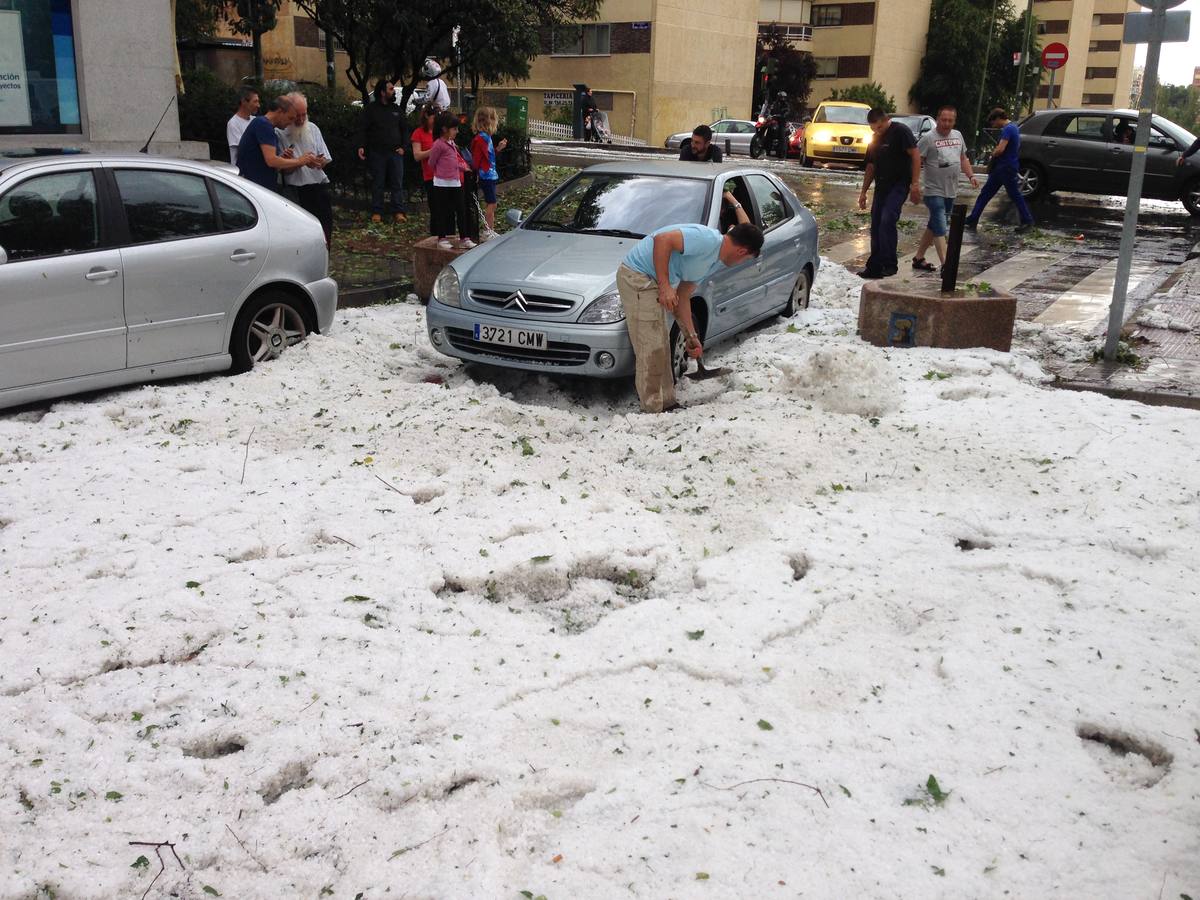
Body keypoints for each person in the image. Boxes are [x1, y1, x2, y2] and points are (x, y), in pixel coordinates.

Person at [616, 200, 763, 413]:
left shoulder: (713, 260)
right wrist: (666, 285)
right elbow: (662, 240)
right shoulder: (707, 240)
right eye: (746, 258)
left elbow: (683, 296)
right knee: (651, 346)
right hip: (637, 277)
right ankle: (652, 409)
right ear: (741, 251)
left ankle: (667, 403)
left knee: (661, 344)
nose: (742, 263)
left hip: (653, 280)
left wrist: (691, 336)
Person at [911, 105, 978, 272]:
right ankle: (946, 264)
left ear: (954, 121)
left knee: (934, 224)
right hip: (933, 190)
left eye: (950, 120)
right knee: (940, 225)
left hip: (951, 190)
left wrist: (971, 176)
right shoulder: (928, 138)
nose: (946, 123)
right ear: (938, 119)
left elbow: (963, 158)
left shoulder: (958, 136)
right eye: (943, 120)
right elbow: (917, 160)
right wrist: (915, 184)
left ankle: (919, 258)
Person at [857, 108, 920, 279]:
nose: (876, 132)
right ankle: (875, 266)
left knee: (887, 219)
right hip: (881, 185)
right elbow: (870, 166)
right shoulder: (875, 138)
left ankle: (890, 263)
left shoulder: (901, 132)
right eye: (872, 129)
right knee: (876, 223)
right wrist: (863, 192)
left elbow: (915, 155)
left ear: (885, 121)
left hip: (899, 184)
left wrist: (915, 184)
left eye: (878, 128)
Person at [965, 107, 1034, 234]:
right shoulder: (1014, 128)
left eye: (993, 122)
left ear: (997, 118)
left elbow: (1001, 149)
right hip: (1006, 167)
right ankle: (973, 218)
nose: (993, 125)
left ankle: (1027, 220)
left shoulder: (1007, 129)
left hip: (1004, 167)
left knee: (1008, 194)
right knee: (988, 193)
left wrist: (993, 153)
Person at [281, 92, 333, 245]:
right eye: (297, 115)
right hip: (296, 190)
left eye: (304, 114)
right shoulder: (281, 132)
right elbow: (284, 170)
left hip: (318, 185)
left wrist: (318, 162)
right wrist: (299, 161)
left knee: (324, 230)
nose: (302, 119)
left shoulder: (312, 128)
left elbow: (325, 159)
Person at [236, 95, 316, 192]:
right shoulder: (263, 125)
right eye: (290, 118)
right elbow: (272, 161)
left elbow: (269, 162)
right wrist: (300, 160)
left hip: (257, 187)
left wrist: (282, 159)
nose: (290, 123)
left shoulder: (265, 126)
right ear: (280, 111)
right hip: (254, 188)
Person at [357, 79, 408, 224]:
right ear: (382, 92)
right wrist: (361, 145)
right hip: (377, 153)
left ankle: (398, 211)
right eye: (391, 89)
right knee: (378, 183)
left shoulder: (397, 110)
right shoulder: (371, 110)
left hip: (395, 153)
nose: (393, 91)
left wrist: (404, 147)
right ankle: (377, 211)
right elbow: (363, 129)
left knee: (397, 183)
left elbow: (404, 130)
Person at [427, 112, 475, 251]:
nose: (456, 131)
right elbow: (432, 162)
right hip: (441, 183)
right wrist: (442, 171)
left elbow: (453, 161)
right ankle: (442, 238)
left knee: (461, 209)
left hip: (455, 181)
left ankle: (464, 238)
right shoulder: (438, 144)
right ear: (444, 129)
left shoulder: (452, 143)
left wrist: (463, 167)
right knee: (442, 211)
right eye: (454, 129)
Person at [471, 106, 508, 239]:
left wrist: (498, 148)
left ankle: (490, 229)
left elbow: (488, 157)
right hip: (486, 175)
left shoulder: (486, 138)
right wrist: (475, 172)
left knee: (492, 203)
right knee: (491, 203)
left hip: (490, 174)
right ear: (489, 122)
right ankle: (488, 231)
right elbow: (476, 160)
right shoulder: (481, 139)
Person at [410, 104, 439, 234]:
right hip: (430, 175)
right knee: (435, 207)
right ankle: (435, 234)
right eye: (434, 117)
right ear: (427, 117)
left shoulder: (439, 132)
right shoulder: (418, 133)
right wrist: (433, 151)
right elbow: (417, 155)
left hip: (443, 173)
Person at [226, 86, 259, 166]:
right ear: (244, 101)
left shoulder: (255, 120)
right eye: (255, 102)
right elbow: (244, 149)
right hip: (241, 173)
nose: (258, 105)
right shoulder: (233, 123)